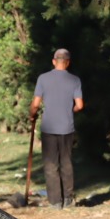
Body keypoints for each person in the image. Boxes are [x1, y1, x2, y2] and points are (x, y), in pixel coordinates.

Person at [30, 48, 83, 208]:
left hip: (49, 127)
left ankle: (55, 201)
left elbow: (35, 104)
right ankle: (68, 198)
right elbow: (80, 105)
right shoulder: (74, 80)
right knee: (66, 162)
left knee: (51, 164)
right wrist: (69, 110)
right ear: (68, 62)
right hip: (67, 127)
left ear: (54, 61)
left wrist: (32, 115)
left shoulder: (43, 79)